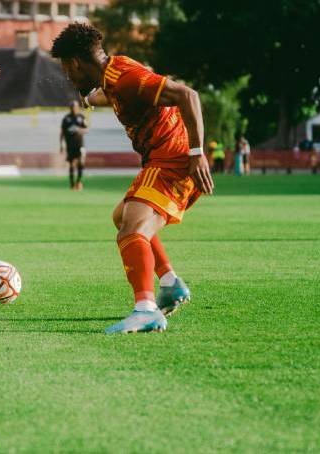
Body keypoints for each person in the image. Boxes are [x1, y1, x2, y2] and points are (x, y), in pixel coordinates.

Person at [51, 22, 214, 334]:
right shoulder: (114, 75)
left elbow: (187, 95)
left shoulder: (125, 76)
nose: (67, 76)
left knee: (131, 230)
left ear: (75, 63)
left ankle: (146, 309)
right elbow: (108, 95)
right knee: (122, 217)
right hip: (161, 159)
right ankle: (169, 284)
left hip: (174, 160)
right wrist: (88, 99)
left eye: (66, 69)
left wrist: (197, 152)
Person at [59, 101, 89, 190]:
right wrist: (61, 144)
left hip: (80, 144)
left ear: (78, 108)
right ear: (70, 108)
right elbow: (62, 132)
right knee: (71, 164)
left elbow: (86, 129)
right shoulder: (66, 118)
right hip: (70, 145)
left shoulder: (81, 117)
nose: (74, 109)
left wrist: (80, 130)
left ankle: (78, 182)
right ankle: (72, 185)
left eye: (75, 107)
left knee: (81, 162)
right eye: (72, 107)